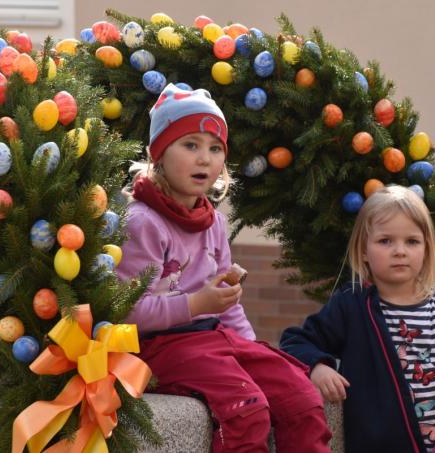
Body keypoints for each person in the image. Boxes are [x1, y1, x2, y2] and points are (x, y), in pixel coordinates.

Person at [116, 83, 331, 452]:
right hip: (158, 347)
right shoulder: (142, 221)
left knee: (301, 397)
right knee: (245, 410)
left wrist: (250, 352)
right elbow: (128, 312)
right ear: (159, 154)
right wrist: (197, 304)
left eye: (215, 149)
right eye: (191, 145)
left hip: (215, 338)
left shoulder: (212, 220)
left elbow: (226, 302)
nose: (205, 159)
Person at [280, 185, 435, 453]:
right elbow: (294, 342)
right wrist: (317, 366)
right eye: (385, 241)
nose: (400, 251)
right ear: (364, 249)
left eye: (412, 241)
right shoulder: (351, 308)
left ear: (427, 249)